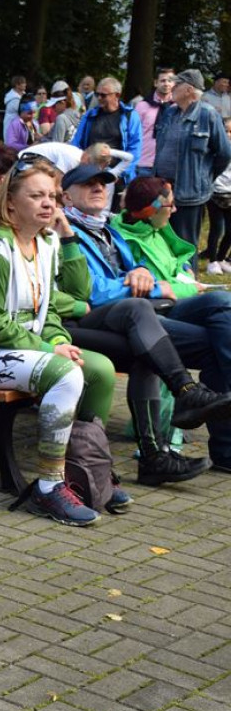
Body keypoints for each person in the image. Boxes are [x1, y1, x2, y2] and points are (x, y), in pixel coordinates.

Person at [0, 157, 117, 526]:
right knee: (66, 375)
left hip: (16, 345)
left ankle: (90, 474)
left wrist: (59, 341)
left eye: (52, 195)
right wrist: (50, 351)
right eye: (36, 196)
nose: (49, 203)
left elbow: (46, 310)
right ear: (11, 201)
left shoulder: (45, 242)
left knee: (99, 370)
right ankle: (49, 487)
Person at [61, 166, 230, 484]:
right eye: (88, 184)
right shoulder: (64, 231)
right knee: (139, 313)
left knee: (215, 326)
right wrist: (153, 286)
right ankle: (186, 395)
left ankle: (176, 452)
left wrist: (142, 272)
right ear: (66, 195)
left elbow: (134, 265)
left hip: (128, 316)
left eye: (102, 183)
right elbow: (89, 292)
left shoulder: (106, 229)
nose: (98, 188)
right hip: (86, 318)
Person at [155, 69, 231, 251]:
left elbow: (224, 153)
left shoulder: (208, 114)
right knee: (159, 239)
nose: (171, 87)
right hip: (162, 190)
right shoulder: (170, 112)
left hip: (189, 193)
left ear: (189, 89)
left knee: (184, 245)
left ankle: (188, 279)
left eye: (177, 84)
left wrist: (204, 177)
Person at [71, 76, 141, 187]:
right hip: (90, 173)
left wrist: (122, 173)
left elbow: (135, 148)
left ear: (117, 95)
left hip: (117, 175)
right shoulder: (89, 115)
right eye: (97, 94)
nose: (99, 98)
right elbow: (76, 143)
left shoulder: (130, 116)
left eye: (103, 95)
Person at [133, 67, 176, 178]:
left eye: (170, 80)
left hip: (169, 164)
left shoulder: (178, 107)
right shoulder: (142, 105)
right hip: (145, 162)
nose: (166, 84)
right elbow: (133, 134)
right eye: (162, 80)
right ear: (155, 83)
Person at [203, 119, 231, 274]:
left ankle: (221, 258)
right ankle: (212, 261)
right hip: (215, 193)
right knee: (217, 228)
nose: (228, 134)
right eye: (225, 131)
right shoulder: (214, 150)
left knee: (230, 230)